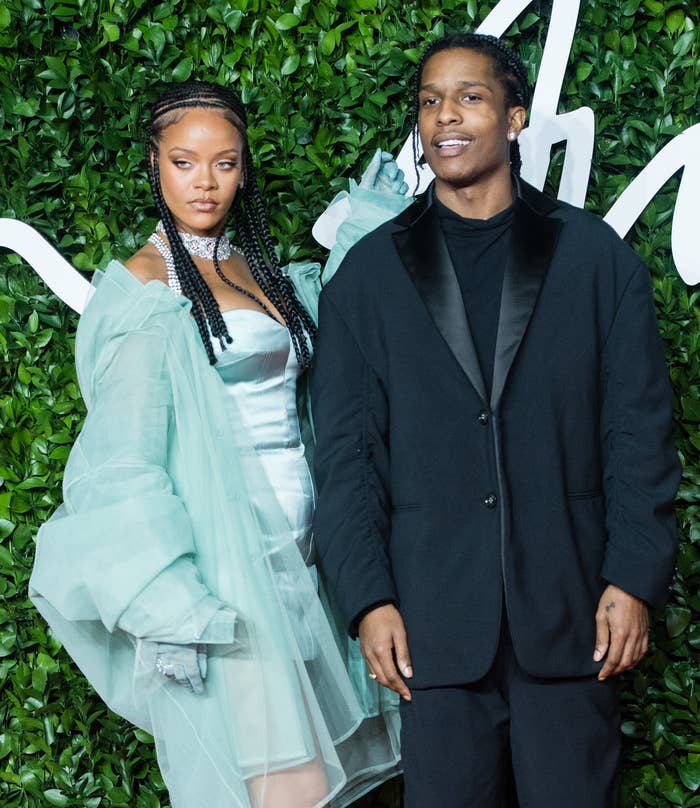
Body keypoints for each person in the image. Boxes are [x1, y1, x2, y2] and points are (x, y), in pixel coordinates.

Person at [311, 33, 680, 807]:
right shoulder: (367, 278)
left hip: (575, 610)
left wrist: (633, 576)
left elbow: (638, 432)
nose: (445, 116)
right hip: (432, 625)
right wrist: (368, 598)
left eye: (469, 97)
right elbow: (345, 457)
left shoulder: (596, 258)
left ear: (514, 117)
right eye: (429, 102)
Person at [29, 80, 409, 808]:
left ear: (243, 167)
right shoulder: (146, 291)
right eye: (183, 162)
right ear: (154, 164)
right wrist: (168, 598)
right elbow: (121, 460)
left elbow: (324, 350)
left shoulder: (250, 264)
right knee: (291, 790)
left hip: (306, 559)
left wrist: (367, 233)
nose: (204, 183)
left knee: (321, 791)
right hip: (232, 572)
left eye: (224, 163)